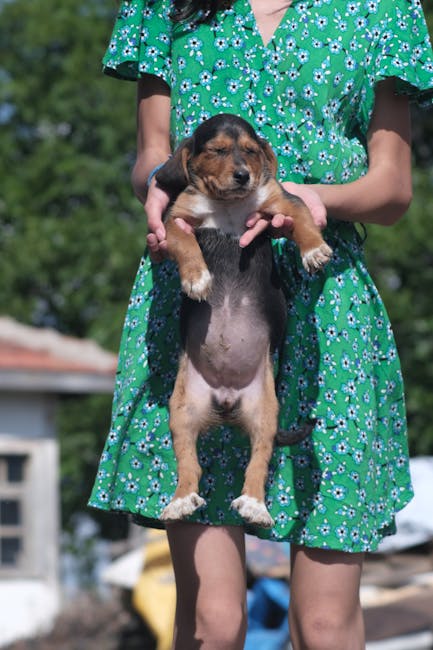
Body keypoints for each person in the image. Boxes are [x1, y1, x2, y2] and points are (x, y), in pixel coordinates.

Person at [90, 1, 433, 647]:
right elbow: (150, 159)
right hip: (196, 304)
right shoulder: (166, 7)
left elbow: (391, 188)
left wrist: (310, 198)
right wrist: (159, 187)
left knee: (325, 624)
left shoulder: (382, 11)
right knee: (212, 623)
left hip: (320, 305)